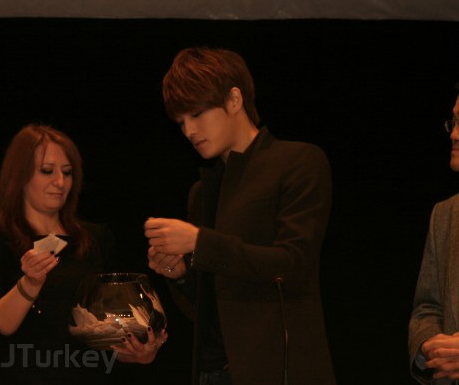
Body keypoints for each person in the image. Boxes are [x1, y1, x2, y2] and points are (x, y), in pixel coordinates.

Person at [144, 47, 336, 385]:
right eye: (181, 122)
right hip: (213, 370)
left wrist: (200, 242)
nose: (189, 131)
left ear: (234, 100)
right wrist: (181, 275)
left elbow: (292, 264)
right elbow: (207, 308)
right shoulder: (203, 192)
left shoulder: (298, 162)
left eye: (197, 114)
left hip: (277, 369)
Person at [0, 124, 166, 385]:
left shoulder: (95, 238)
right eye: (47, 171)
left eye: (67, 172)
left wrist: (138, 353)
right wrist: (29, 284)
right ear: (20, 175)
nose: (60, 182)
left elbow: (108, 337)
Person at [408, 83, 459, 383]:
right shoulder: (445, 215)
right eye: (454, 122)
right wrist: (428, 348)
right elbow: (427, 308)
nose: (453, 134)